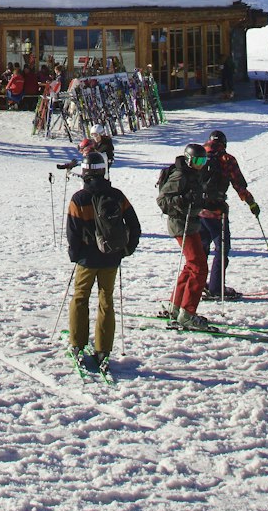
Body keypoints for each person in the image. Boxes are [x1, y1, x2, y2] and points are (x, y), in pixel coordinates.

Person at [66, 151, 140, 370]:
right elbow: (134, 225)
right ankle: (103, 349)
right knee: (106, 300)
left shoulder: (79, 199)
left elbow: (72, 231)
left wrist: (76, 255)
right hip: (111, 258)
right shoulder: (117, 195)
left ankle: (78, 343)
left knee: (80, 298)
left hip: (87, 259)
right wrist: (125, 250)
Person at [156, 143, 213, 330]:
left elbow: (197, 197)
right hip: (181, 224)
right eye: (197, 161)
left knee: (192, 265)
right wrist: (182, 201)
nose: (200, 164)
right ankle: (187, 314)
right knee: (199, 267)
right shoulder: (180, 175)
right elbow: (163, 200)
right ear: (189, 160)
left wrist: (214, 203)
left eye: (203, 161)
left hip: (191, 223)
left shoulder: (194, 174)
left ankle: (175, 306)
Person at [199, 129, 260, 300]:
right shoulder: (227, 159)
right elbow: (239, 185)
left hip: (197, 211)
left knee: (201, 249)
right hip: (217, 213)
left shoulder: (199, 155)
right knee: (222, 248)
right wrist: (252, 204)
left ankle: (198, 284)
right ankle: (216, 287)